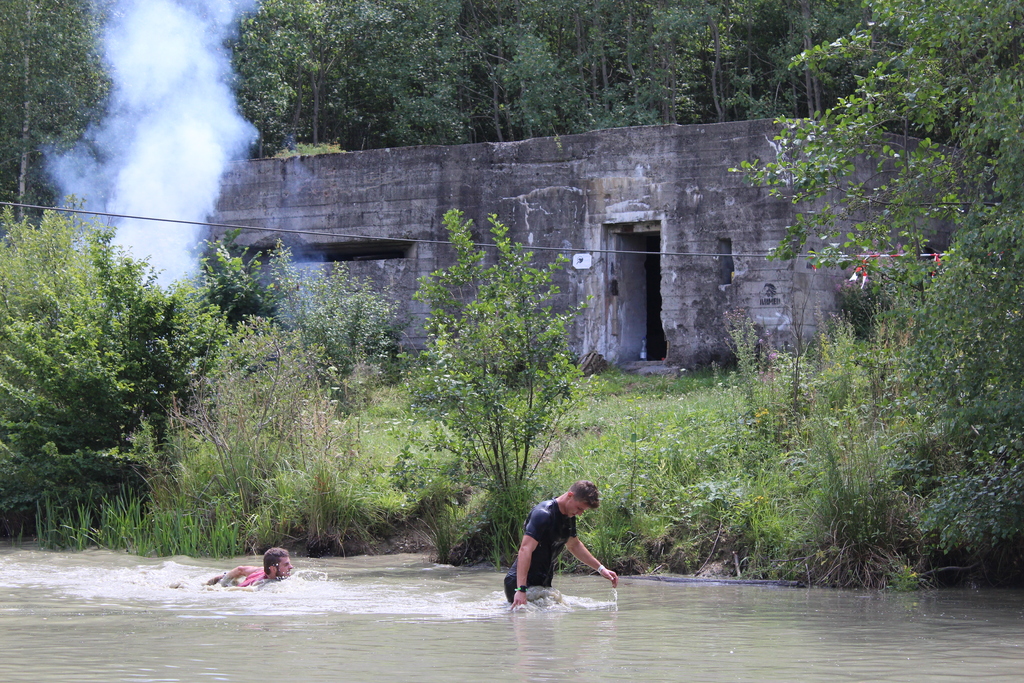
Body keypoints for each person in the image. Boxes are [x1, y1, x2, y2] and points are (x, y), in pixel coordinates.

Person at [505, 480, 618, 609]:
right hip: (520, 585)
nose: (580, 513)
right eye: (579, 508)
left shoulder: (569, 518)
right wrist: (521, 589)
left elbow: (574, 545)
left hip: (542, 584)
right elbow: (525, 550)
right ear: (570, 495)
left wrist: (601, 569)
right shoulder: (543, 514)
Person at [205, 547, 293, 587]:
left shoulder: (261, 570)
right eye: (286, 564)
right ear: (273, 569)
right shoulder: (260, 584)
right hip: (236, 588)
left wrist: (224, 579)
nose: (291, 567)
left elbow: (240, 569)